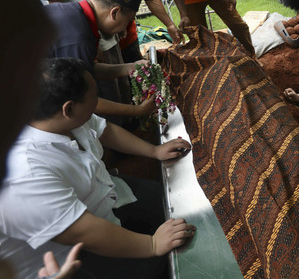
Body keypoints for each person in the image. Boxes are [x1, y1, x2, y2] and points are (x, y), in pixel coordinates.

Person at [0, 58, 194, 279]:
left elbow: (103, 130)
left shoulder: (62, 118)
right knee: (160, 266)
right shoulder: (26, 172)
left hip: (107, 195)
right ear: (68, 108)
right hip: (70, 258)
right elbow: (83, 231)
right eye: (93, 98)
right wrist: (152, 245)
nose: (97, 102)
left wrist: (153, 151)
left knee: (177, 209)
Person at [44, 0, 156, 118]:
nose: (124, 29)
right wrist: (137, 110)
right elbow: (82, 101)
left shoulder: (74, 13)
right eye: (128, 21)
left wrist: (130, 67)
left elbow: (87, 68)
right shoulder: (78, 37)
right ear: (115, 12)